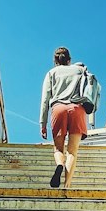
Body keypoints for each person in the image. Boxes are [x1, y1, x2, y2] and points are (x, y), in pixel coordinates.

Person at [39, 46, 93, 188]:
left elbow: (45, 100)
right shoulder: (80, 70)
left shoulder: (51, 73)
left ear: (55, 61)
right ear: (69, 59)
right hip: (77, 109)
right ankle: (66, 185)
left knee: (58, 149)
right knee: (72, 151)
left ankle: (59, 165)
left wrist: (42, 123)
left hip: (58, 109)